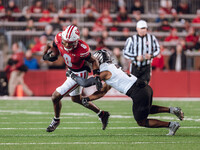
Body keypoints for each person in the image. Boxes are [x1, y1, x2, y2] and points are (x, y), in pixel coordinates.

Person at [67, 49, 184, 136]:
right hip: (145, 88)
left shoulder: (105, 71)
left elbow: (85, 83)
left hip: (138, 92)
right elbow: (102, 92)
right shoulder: (111, 68)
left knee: (141, 121)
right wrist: (88, 99)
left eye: (94, 61)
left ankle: (171, 125)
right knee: (146, 109)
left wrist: (72, 75)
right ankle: (172, 110)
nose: (93, 63)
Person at [43, 25, 110, 132]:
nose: (65, 44)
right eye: (64, 42)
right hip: (71, 70)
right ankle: (102, 114)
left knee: (55, 96)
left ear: (76, 41)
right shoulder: (60, 38)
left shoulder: (82, 48)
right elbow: (50, 44)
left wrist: (97, 75)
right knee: (76, 99)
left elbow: (93, 61)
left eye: (68, 43)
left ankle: (56, 120)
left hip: (80, 73)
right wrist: (46, 54)